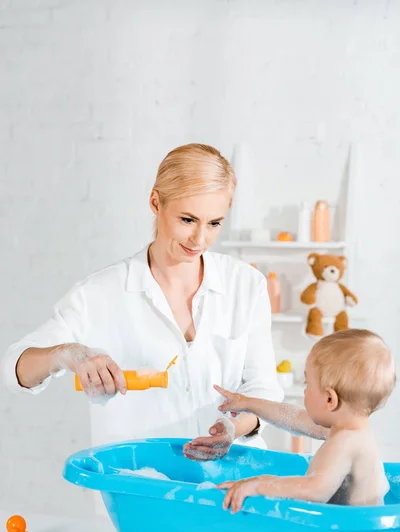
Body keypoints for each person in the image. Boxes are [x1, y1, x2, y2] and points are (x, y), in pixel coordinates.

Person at [1, 143, 283, 461]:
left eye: (214, 223)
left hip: (234, 483)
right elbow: (13, 370)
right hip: (141, 485)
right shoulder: (100, 294)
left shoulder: (245, 285)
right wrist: (69, 354)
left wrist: (233, 427)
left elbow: (263, 389)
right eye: (188, 220)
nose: (200, 239)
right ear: (155, 202)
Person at [215, 329, 396, 512]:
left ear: (329, 400)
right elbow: (291, 417)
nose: (304, 390)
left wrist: (258, 485)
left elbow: (315, 489)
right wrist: (248, 403)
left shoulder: (346, 441)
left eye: (307, 383)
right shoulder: (346, 427)